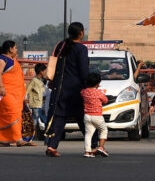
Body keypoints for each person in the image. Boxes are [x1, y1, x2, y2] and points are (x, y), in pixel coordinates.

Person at [43, 22, 90, 156]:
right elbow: (83, 71)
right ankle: (93, 145)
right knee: (83, 118)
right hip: (76, 89)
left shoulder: (61, 46)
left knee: (59, 117)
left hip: (60, 89)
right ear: (81, 33)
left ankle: (52, 146)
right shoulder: (81, 49)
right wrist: (89, 85)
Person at [0, 40, 34, 147]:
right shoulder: (2, 59)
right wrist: (1, 86)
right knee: (11, 114)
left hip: (16, 96)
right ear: (10, 49)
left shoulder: (12, 61)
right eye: (15, 47)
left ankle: (4, 140)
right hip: (6, 94)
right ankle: (18, 139)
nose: (16, 49)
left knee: (16, 115)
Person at [80, 72, 109, 157]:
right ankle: (100, 147)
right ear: (98, 84)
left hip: (87, 116)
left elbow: (82, 93)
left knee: (88, 134)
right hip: (97, 116)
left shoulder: (84, 92)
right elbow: (105, 100)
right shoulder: (99, 92)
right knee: (104, 130)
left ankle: (87, 152)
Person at [26, 62, 47, 136]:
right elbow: (27, 90)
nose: (45, 72)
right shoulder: (34, 80)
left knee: (40, 118)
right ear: (41, 71)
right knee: (35, 119)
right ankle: (30, 135)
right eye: (44, 71)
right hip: (35, 103)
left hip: (40, 103)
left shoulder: (41, 80)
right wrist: (24, 98)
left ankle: (32, 134)